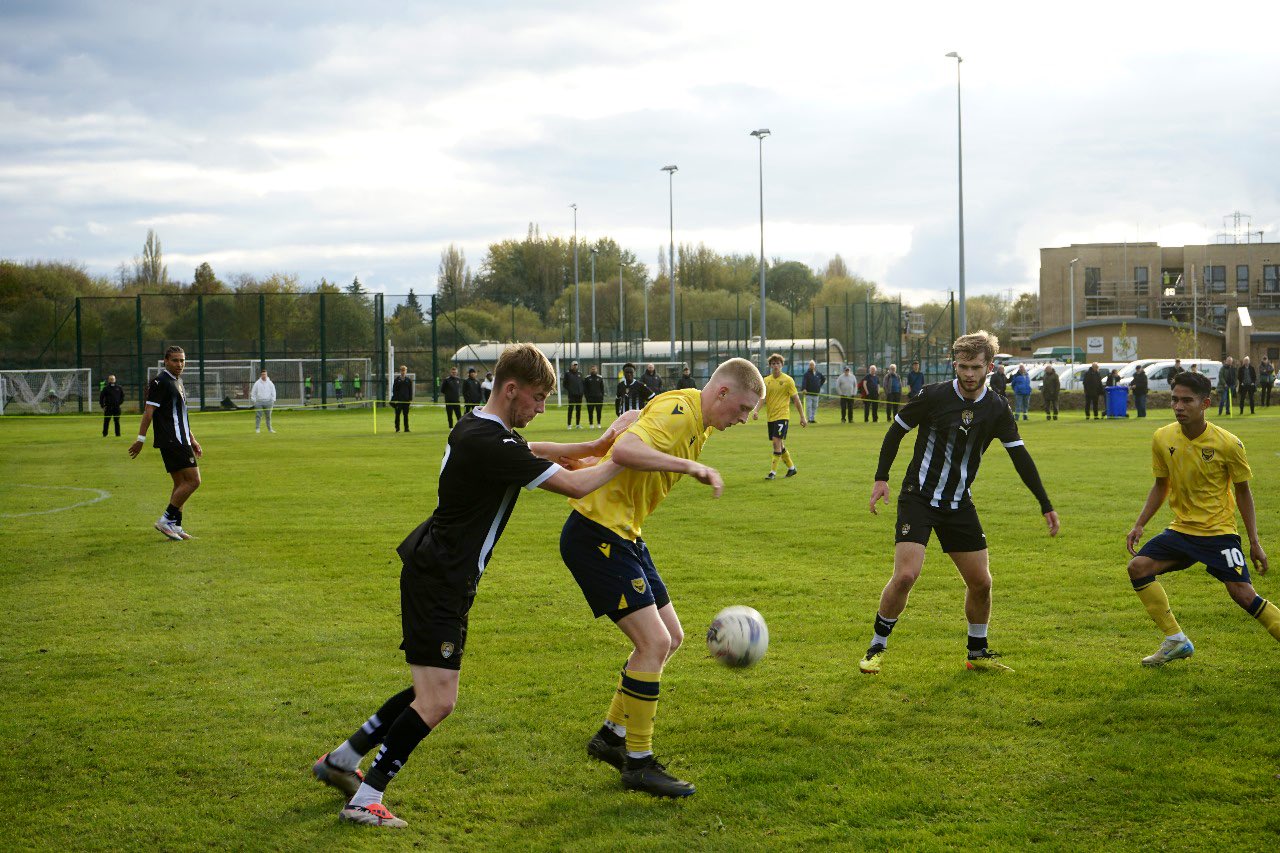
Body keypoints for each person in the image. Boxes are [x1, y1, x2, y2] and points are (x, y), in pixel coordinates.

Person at [313, 343, 635, 829]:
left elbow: (536, 451)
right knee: (439, 700)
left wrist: (596, 446)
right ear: (511, 390)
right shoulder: (490, 443)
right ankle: (366, 797)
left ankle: (342, 760)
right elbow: (575, 486)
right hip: (442, 577)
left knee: (428, 688)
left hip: (436, 571)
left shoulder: (477, 426)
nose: (542, 408)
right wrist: (625, 457)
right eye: (538, 398)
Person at [562, 357, 765, 799]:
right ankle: (638, 763)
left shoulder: (699, 419)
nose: (745, 419)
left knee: (671, 637)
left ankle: (612, 736)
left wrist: (638, 417)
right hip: (597, 532)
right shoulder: (683, 413)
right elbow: (625, 452)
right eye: (743, 409)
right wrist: (691, 468)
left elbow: (641, 423)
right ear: (722, 393)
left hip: (625, 533)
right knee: (652, 642)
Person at [860, 331, 1058, 675]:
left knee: (981, 582)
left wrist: (1045, 503)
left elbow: (1020, 457)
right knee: (906, 575)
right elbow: (896, 431)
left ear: (990, 367)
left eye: (976, 367)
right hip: (918, 496)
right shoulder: (934, 396)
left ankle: (977, 653)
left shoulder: (996, 407)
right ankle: (877, 646)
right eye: (963, 366)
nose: (969, 374)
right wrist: (881, 478)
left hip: (958, 503)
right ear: (955, 365)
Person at [1124, 370, 1275, 667]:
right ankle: (1176, 640)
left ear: (1205, 403)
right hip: (1181, 531)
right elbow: (1160, 485)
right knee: (1138, 567)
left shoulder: (1228, 443)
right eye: (1174, 399)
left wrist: (1254, 542)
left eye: (1187, 401)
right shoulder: (1162, 437)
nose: (1179, 406)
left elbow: (1243, 492)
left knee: (1243, 595)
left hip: (1219, 533)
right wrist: (1140, 523)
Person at [128, 346, 202, 542]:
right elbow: (148, 412)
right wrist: (140, 439)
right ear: (166, 361)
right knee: (194, 481)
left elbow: (180, 415)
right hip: (172, 439)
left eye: (182, 361)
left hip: (181, 438)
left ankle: (175, 525)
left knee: (180, 484)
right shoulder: (160, 382)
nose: (180, 364)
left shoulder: (177, 381)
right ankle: (165, 520)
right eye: (176, 360)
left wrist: (192, 439)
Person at [753, 353, 806, 479]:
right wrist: (756, 410)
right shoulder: (766, 381)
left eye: (778, 363)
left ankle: (772, 473)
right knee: (779, 444)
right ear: (770, 366)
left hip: (783, 416)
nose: (775, 365)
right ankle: (791, 468)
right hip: (771, 417)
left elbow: (796, 400)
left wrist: (802, 417)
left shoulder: (788, 380)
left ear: (782, 365)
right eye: (773, 363)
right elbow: (762, 398)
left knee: (776, 442)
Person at [250, 369, 277, 433]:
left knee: (268, 416)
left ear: (266, 375)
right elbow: (253, 392)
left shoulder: (270, 383)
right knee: (258, 416)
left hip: (268, 402)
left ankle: (270, 429)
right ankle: (257, 429)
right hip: (259, 402)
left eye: (265, 374)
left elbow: (273, 391)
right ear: (261, 375)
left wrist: (273, 400)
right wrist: (254, 400)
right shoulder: (257, 383)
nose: (263, 375)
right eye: (262, 374)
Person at [563, 361, 585, 429]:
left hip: (579, 395)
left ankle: (578, 424)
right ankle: (569, 424)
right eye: (574, 365)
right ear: (571, 366)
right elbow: (564, 384)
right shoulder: (568, 374)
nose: (575, 366)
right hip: (572, 395)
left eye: (576, 365)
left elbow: (582, 383)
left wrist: (581, 391)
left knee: (578, 410)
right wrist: (570, 390)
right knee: (571, 409)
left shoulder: (580, 374)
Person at [391, 365, 413, 433]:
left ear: (406, 371)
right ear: (400, 371)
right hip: (399, 400)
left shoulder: (408, 380)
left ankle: (406, 428)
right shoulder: (397, 380)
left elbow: (410, 390)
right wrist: (396, 398)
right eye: (402, 370)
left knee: (405, 415)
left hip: (406, 400)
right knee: (397, 415)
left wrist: (410, 399)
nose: (403, 372)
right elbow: (394, 390)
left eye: (404, 370)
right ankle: (397, 428)